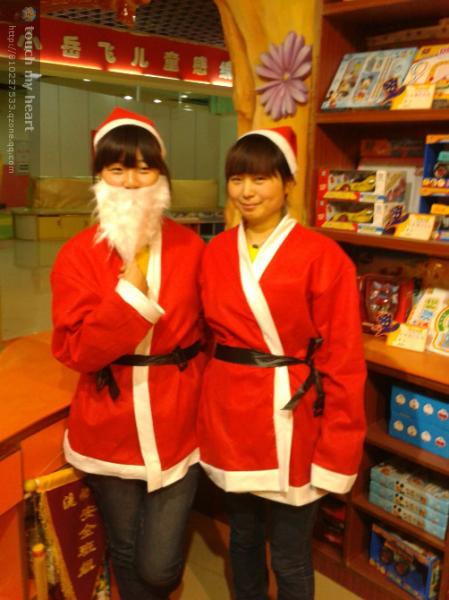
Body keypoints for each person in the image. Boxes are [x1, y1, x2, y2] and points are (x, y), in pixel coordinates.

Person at [198, 127, 367, 600]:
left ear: (288, 183)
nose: (246, 192)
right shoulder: (215, 252)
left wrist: (337, 448)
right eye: (237, 179)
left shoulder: (324, 256)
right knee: (243, 538)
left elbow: (343, 360)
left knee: (290, 554)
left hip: (292, 419)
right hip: (232, 417)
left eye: (261, 179)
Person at [51, 108, 205, 600]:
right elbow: (75, 350)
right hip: (108, 421)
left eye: (144, 168)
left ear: (161, 174)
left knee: (158, 566)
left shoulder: (191, 247)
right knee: (123, 546)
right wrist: (128, 298)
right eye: (117, 169)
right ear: (99, 177)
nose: (132, 182)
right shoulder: (77, 255)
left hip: (179, 418)